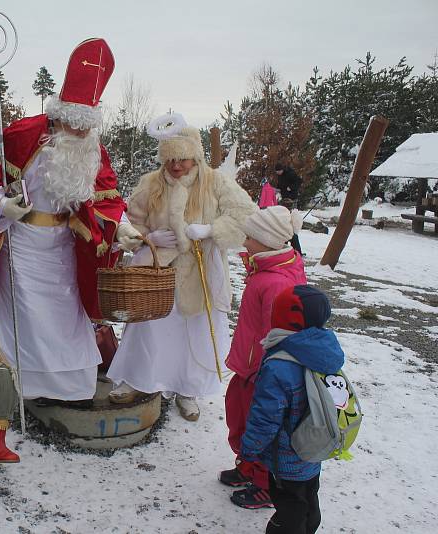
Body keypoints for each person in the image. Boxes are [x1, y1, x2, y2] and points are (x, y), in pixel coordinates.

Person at [0, 38, 141, 402]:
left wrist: (122, 226)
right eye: (73, 127)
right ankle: (21, 388)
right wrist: (4, 206)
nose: (78, 135)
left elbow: (107, 198)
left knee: (66, 320)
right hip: (21, 247)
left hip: (63, 248)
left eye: (84, 129)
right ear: (59, 115)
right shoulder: (21, 136)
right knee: (25, 319)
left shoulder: (91, 151)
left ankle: (70, 387)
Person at [106, 113, 257, 421]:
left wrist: (211, 230)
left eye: (183, 160)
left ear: (194, 156)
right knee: (150, 328)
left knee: (194, 331)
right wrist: (147, 237)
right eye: (170, 160)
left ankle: (186, 389)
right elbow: (130, 222)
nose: (176, 166)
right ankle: (139, 380)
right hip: (158, 270)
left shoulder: (216, 182)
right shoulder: (151, 183)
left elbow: (245, 215)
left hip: (201, 270)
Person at [219, 206, 307, 509]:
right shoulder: (267, 269)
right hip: (249, 363)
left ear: (268, 241)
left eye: (250, 237)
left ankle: (265, 483)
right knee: (239, 415)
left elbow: (278, 333)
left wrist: (263, 370)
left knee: (260, 422)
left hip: (260, 369)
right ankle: (248, 464)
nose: (244, 241)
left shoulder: (276, 282)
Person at [241, 284, 343, 534]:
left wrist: (249, 449)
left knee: (289, 508)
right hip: (315, 447)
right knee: (309, 497)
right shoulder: (323, 349)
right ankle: (309, 527)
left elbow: (265, 417)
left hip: (287, 456)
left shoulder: (279, 364)